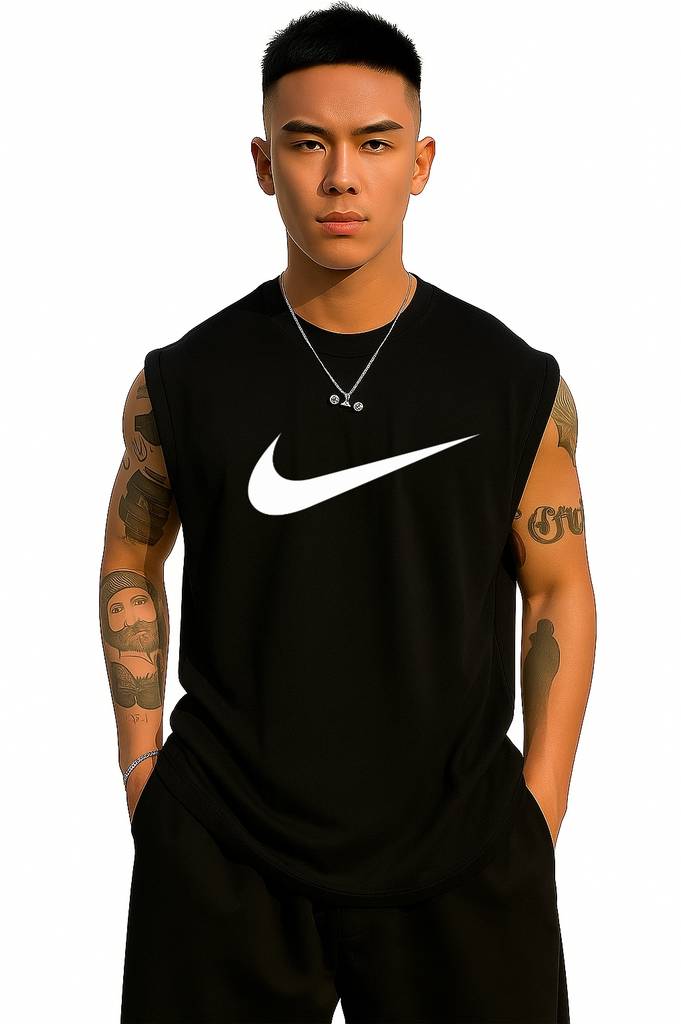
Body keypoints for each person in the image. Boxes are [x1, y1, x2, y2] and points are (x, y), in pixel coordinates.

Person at [100, 4, 596, 1021]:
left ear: (420, 163)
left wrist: (538, 807)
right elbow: (131, 559)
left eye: (373, 144)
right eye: (306, 143)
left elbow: (557, 589)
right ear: (261, 162)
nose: (340, 177)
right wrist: (143, 767)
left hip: (460, 849)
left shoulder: (512, 383)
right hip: (225, 850)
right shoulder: (183, 380)